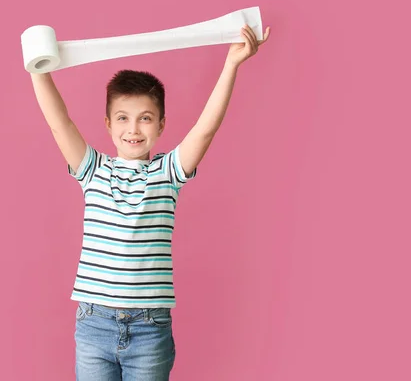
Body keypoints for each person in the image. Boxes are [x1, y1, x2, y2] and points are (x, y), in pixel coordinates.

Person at [30, 24, 271, 381]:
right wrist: (38, 68)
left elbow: (205, 128)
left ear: (160, 125)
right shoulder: (92, 170)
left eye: (145, 119)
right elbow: (58, 122)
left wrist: (231, 65)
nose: (134, 129)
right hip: (94, 323)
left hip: (149, 327)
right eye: (124, 119)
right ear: (108, 123)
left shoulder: (168, 173)